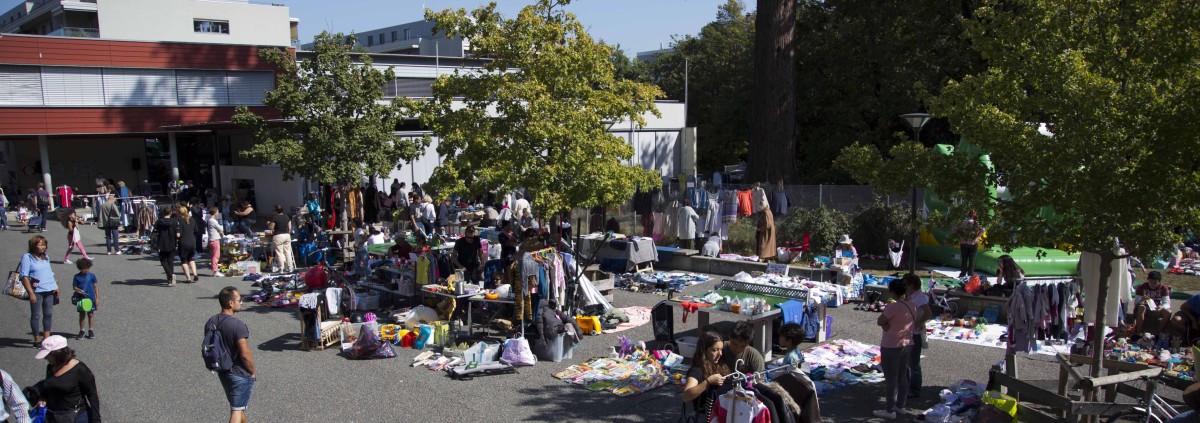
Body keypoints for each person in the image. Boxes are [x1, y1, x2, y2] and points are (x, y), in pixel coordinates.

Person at [208, 287, 255, 423]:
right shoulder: (237, 325)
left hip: (222, 369)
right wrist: (252, 371)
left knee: (238, 406)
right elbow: (245, 354)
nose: (242, 303)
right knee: (236, 409)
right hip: (239, 372)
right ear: (230, 303)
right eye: (239, 300)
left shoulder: (211, 321)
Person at [875, 278, 917, 419]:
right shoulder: (912, 305)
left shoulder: (893, 306)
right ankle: (901, 406)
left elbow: (880, 320)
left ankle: (889, 410)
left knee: (891, 379)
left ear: (892, 292)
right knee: (902, 377)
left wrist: (886, 324)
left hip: (891, 345)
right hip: (907, 344)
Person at [33, 335, 100, 422]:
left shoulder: (80, 370)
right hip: (54, 417)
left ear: (58, 354)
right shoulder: (51, 367)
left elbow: (92, 395)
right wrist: (43, 398)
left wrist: (96, 420)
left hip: (76, 417)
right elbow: (50, 386)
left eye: (48, 355)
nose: (45, 358)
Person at [681, 330, 729, 418]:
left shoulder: (720, 365)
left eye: (721, 349)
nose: (720, 354)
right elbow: (686, 396)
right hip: (706, 417)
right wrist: (708, 381)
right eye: (715, 350)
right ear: (704, 350)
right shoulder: (697, 371)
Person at [20, 235, 58, 346]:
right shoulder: (27, 257)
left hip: (49, 289)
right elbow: (24, 276)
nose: (42, 247)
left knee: (48, 314)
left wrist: (56, 286)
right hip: (37, 290)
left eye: (44, 244)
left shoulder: (46, 256)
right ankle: (36, 338)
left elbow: (49, 272)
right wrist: (31, 293)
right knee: (36, 315)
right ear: (33, 245)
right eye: (40, 244)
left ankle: (46, 338)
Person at [903, 273, 933, 398]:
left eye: (905, 284)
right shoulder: (910, 295)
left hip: (915, 333)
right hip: (908, 332)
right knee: (907, 361)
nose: (904, 286)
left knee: (914, 363)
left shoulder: (919, 297)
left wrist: (919, 323)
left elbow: (928, 312)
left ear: (911, 285)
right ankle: (907, 386)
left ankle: (915, 389)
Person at [951, 211, 985, 276]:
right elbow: (983, 230)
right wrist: (977, 236)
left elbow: (953, 229)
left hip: (964, 242)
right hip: (973, 242)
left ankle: (963, 273)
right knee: (972, 259)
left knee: (964, 259)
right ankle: (971, 274)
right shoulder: (976, 223)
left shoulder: (962, 222)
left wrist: (959, 235)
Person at [72, 258, 98, 341]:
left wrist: (97, 298)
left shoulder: (92, 276)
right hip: (81, 299)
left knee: (91, 314)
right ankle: (82, 330)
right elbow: (74, 287)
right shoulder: (76, 277)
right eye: (84, 268)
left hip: (91, 298)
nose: (86, 270)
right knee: (82, 315)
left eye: (88, 268)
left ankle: (91, 330)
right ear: (80, 268)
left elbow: (96, 287)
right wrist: (78, 290)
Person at [154, 208, 180, 286]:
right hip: (172, 242)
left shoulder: (159, 222)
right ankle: (170, 278)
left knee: (163, 260)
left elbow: (155, 232)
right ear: (171, 213)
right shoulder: (175, 222)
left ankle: (170, 275)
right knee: (170, 261)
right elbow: (177, 234)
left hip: (162, 243)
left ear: (163, 213)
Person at [267, 205, 295, 274]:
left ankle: (281, 268)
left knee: (279, 253)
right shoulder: (287, 216)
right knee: (288, 252)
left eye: (274, 210)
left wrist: (268, 223)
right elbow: (289, 228)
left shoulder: (274, 217)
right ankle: (290, 268)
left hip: (278, 235)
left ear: (276, 210)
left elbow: (271, 228)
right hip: (287, 235)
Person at [176, 204, 199, 284]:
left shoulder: (179, 221)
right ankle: (195, 274)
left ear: (179, 213)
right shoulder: (192, 219)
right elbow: (196, 231)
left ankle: (188, 278)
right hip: (192, 241)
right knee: (191, 258)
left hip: (183, 242)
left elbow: (178, 234)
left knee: (184, 260)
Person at [208, 207, 226, 277]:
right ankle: (215, 271)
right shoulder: (213, 221)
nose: (218, 213)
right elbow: (220, 228)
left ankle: (215, 270)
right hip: (215, 240)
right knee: (216, 256)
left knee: (213, 255)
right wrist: (221, 232)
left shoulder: (209, 220)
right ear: (215, 212)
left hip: (211, 239)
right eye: (217, 211)